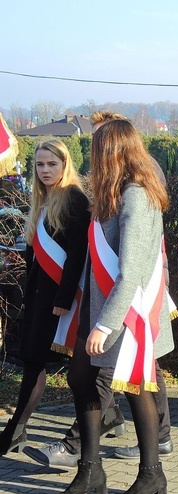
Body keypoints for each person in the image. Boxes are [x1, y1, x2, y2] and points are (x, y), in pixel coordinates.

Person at [25, 112, 174, 468]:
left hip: (124, 310)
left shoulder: (137, 194)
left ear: (114, 147)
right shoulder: (112, 190)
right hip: (102, 302)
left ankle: (131, 466)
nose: (91, 153)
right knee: (95, 378)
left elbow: (131, 269)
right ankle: (98, 464)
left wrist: (106, 324)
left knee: (123, 382)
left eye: (97, 144)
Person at [0, 141, 89, 456]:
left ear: (65, 164)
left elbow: (78, 255)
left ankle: (14, 431)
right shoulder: (42, 199)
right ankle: (108, 417)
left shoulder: (75, 200)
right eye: (40, 164)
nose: (46, 170)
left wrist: (64, 299)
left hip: (63, 299)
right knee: (34, 359)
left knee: (57, 363)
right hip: (40, 296)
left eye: (52, 163)